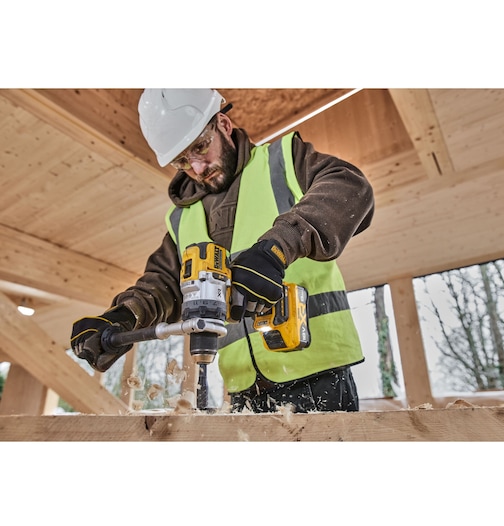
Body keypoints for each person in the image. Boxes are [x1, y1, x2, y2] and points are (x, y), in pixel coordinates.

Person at [70, 88, 375, 413]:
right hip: (243, 388)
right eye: (182, 161)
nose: (197, 168)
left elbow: (349, 187)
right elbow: (161, 287)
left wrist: (275, 250)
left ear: (224, 125)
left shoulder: (282, 160)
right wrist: (122, 318)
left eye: (201, 147)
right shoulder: (181, 219)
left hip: (320, 376)